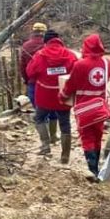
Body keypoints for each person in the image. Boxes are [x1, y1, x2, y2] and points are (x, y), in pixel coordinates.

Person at [61, 33, 110, 178]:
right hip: (100, 107)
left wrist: (63, 97)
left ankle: (92, 170)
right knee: (98, 135)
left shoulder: (80, 65)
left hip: (83, 107)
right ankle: (96, 166)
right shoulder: (107, 63)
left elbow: (70, 85)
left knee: (87, 138)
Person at [25, 30, 78, 163]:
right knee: (65, 123)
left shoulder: (39, 55)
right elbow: (77, 72)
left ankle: (45, 146)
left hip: (44, 96)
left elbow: (30, 72)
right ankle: (65, 155)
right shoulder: (70, 54)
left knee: (39, 118)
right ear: (58, 39)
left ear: (45, 41)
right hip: (63, 95)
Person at [19, 22, 58, 141]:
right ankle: (53, 136)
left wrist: (27, 80)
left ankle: (45, 142)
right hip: (50, 83)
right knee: (53, 110)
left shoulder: (25, 46)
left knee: (40, 113)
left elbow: (22, 67)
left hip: (33, 84)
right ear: (44, 32)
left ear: (33, 31)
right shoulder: (49, 45)